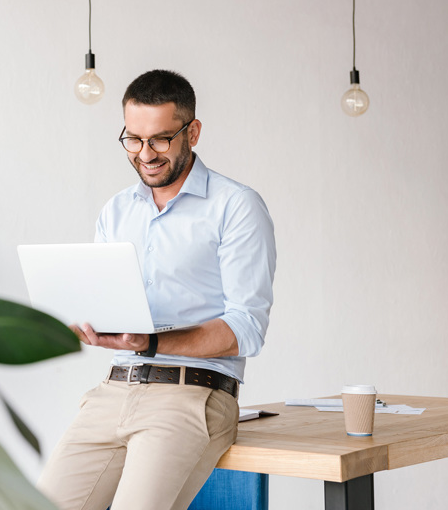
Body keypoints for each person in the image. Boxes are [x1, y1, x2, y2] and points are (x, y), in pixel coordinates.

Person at [37, 69, 276, 510]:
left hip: (190, 396)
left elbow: (246, 327)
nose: (145, 154)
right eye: (133, 139)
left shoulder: (236, 206)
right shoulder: (117, 210)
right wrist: (83, 321)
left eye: (160, 140)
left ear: (193, 132)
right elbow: (104, 300)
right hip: (112, 391)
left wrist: (151, 342)